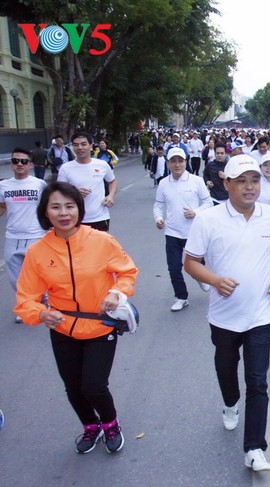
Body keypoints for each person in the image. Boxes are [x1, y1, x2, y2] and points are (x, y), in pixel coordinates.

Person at [15, 182, 138, 453]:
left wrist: (117, 293)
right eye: (55, 207)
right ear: (45, 212)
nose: (63, 213)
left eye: (69, 206)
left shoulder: (101, 240)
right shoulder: (37, 252)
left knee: (94, 386)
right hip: (62, 328)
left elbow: (127, 273)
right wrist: (40, 313)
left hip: (99, 326)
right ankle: (90, 426)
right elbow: (25, 298)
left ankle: (110, 424)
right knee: (73, 387)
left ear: (79, 209)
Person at [183, 154, 270, 473]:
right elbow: (190, 262)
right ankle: (230, 404)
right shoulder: (207, 219)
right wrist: (215, 280)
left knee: (258, 380)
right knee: (227, 370)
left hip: (260, 316)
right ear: (226, 184)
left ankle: (254, 448)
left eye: (254, 180)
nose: (249, 187)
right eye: (241, 181)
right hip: (224, 317)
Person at [154, 147, 213, 312]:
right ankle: (181, 297)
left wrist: (195, 212)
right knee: (174, 267)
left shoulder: (196, 181)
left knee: (196, 264)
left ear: (185, 162)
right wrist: (158, 218)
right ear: (168, 163)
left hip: (193, 232)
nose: (177, 164)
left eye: (180, 161)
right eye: (173, 161)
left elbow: (208, 203)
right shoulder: (164, 183)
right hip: (172, 232)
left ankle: (199, 276)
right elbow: (158, 205)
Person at [0, 148, 48, 322]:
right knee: (15, 279)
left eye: (23, 161)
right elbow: (2, 207)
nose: (19, 164)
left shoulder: (39, 184)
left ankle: (40, 299)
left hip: (36, 236)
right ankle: (26, 306)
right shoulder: (3, 185)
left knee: (37, 275)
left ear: (30, 164)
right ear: (11, 164)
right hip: (12, 237)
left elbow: (47, 207)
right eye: (15, 161)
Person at [58, 132, 116, 232]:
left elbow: (112, 181)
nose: (80, 147)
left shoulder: (102, 165)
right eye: (76, 145)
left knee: (100, 247)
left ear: (90, 146)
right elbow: (59, 192)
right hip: (76, 219)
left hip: (100, 217)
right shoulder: (65, 168)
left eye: (83, 144)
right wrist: (74, 193)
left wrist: (110, 196)